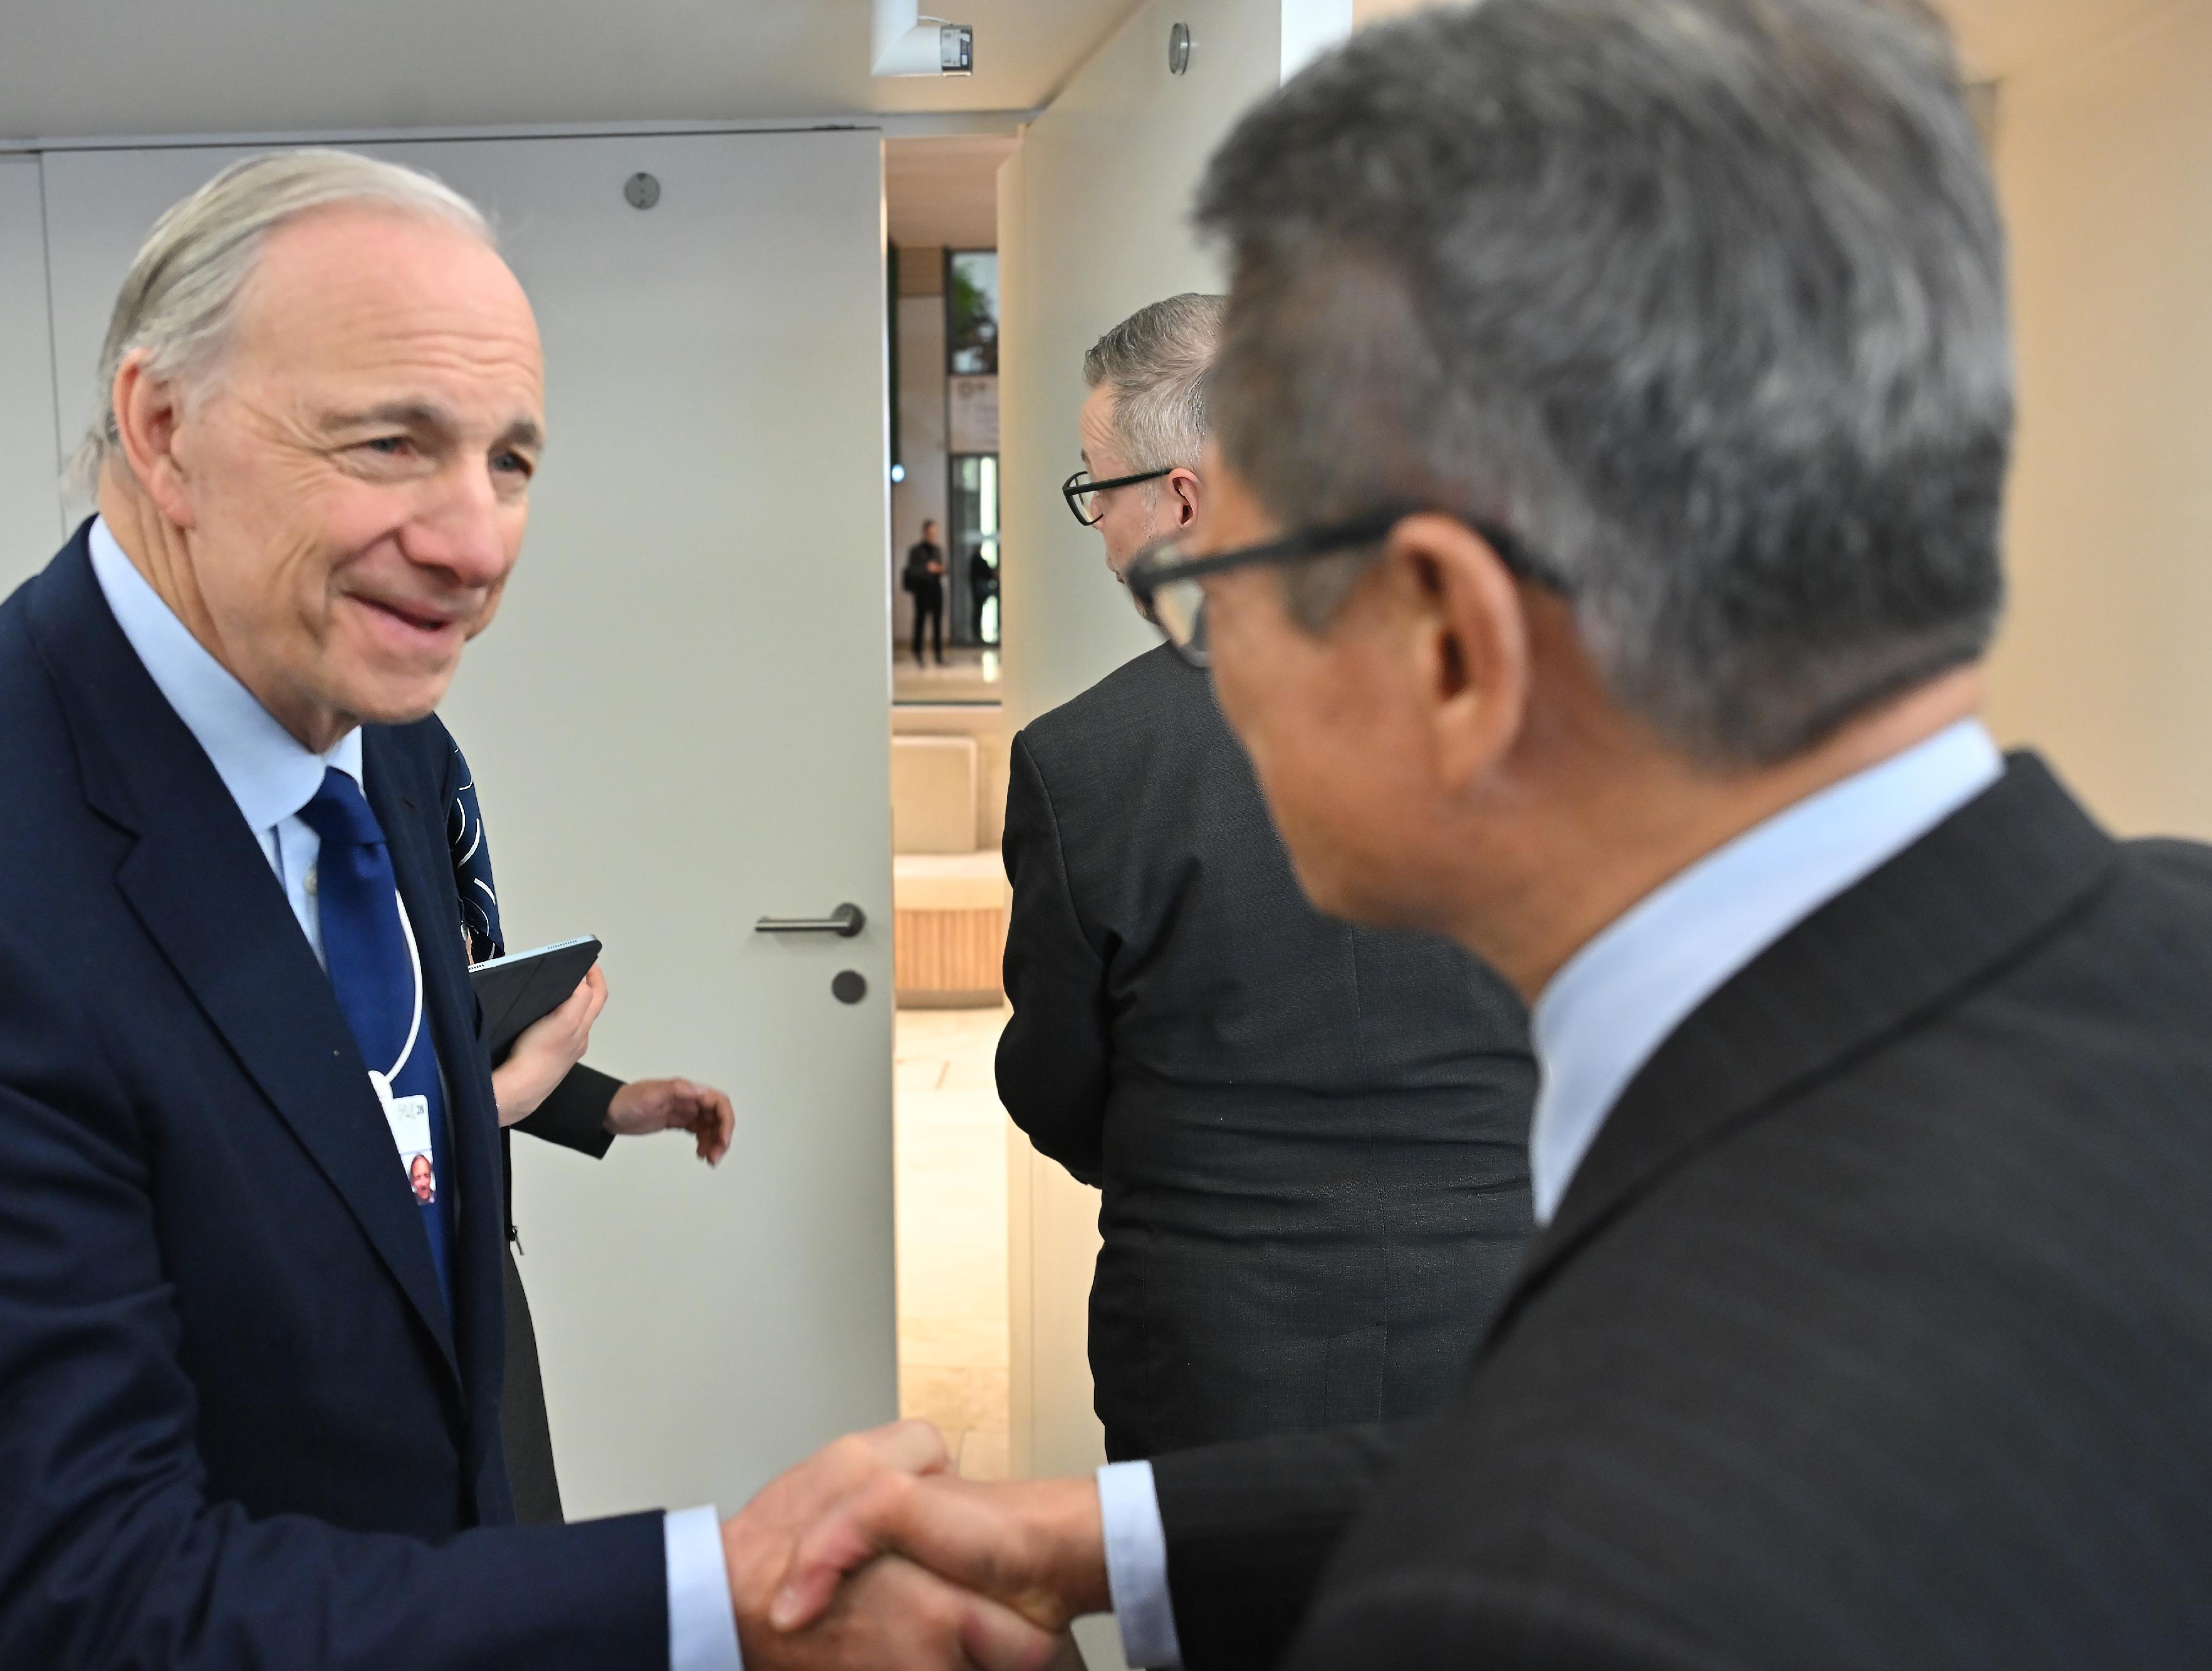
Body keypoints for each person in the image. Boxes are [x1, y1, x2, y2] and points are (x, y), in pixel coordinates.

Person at [766, 2, 2212, 1665]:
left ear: (1445, 633)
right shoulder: (2165, 955)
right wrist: (1103, 1535)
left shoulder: (1511, 1596)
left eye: (1241, 582)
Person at [0, 147, 1055, 1671]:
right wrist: (708, 1599)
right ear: (164, 430)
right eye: (393, 444)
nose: (477, 544)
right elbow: (75, 1606)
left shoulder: (380, 745)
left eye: (512, 462)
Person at [1006, 293, 1533, 1460]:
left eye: (1098, 491)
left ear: (1183, 501)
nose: (1096, 536)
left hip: (1218, 1354)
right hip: (1504, 1329)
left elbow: (1054, 1086)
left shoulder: (1084, 762)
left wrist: (1195, 1152)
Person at [441, 739, 740, 1526]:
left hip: (475, 1257)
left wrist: (606, 1102)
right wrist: (494, 1100)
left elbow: (446, 1038)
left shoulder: (419, 754)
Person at [904, 519, 947, 665]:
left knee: (937, 623)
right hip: (922, 591)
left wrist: (939, 569)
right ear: (925, 532)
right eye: (930, 532)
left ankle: (938, 655)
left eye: (934, 532)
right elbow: (911, 571)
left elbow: (943, 568)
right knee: (920, 622)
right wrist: (927, 569)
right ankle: (918, 653)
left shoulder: (937, 550)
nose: (933, 534)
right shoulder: (916, 551)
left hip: (936, 589)